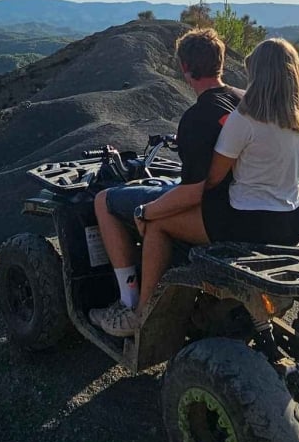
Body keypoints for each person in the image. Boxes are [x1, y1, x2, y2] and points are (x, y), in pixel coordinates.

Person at [95, 37, 299, 337]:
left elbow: (207, 183)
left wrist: (146, 211)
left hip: (249, 220)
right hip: (294, 218)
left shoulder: (246, 118)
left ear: (185, 68)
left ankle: (138, 312)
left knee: (156, 222)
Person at [86, 28, 242, 338]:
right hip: (247, 197)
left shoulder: (198, 116)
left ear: (185, 68)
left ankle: (129, 305)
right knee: (164, 183)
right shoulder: (244, 100)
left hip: (217, 208)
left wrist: (148, 211)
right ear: (221, 63)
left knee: (105, 200)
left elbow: (195, 191)